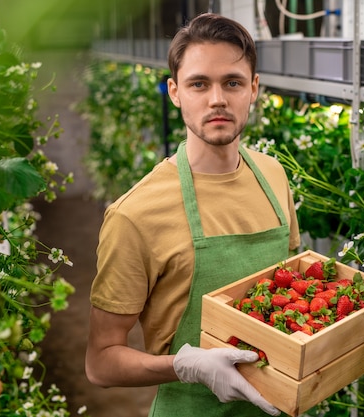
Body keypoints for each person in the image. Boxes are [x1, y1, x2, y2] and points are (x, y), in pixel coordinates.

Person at [85, 12, 301, 417]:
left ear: (253, 89)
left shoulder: (274, 176)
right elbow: (100, 362)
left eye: (232, 82)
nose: (217, 98)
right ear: (174, 92)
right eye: (199, 83)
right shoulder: (135, 215)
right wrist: (185, 366)